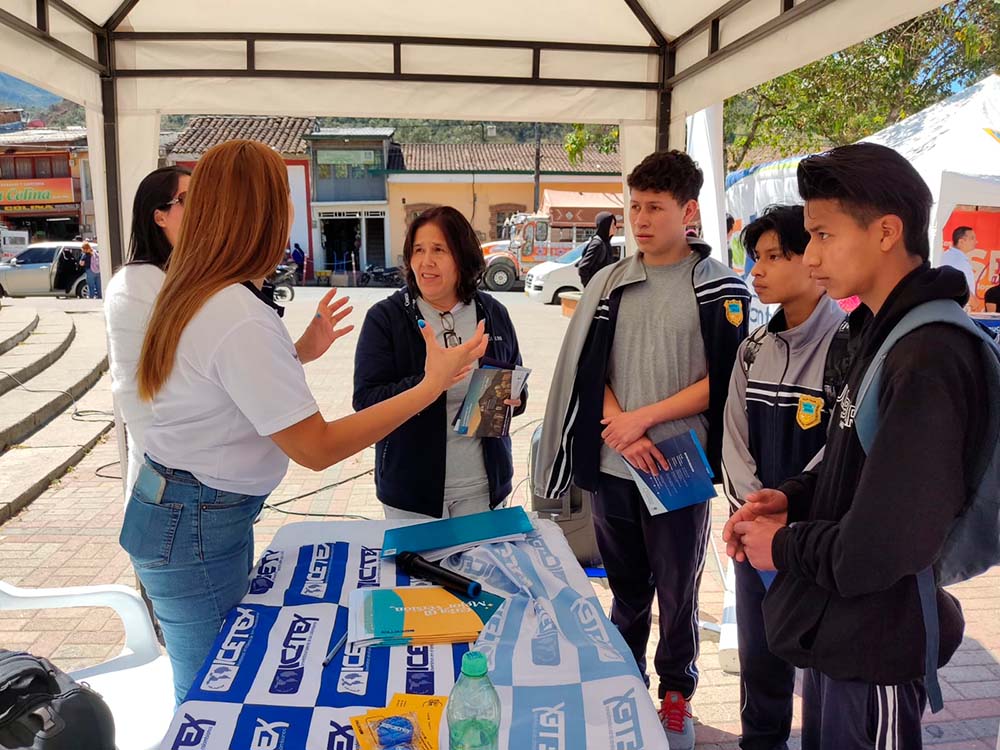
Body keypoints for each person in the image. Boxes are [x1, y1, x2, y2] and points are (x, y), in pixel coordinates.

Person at [120, 140, 486, 704]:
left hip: (186, 514)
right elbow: (315, 447)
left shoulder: (201, 293)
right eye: (282, 204)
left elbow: (226, 387)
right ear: (261, 215)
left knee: (210, 684)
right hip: (192, 525)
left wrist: (299, 352)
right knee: (210, 699)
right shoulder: (235, 311)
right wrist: (430, 386)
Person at [724, 143, 985, 750]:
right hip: (839, 627)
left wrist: (783, 543)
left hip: (879, 643)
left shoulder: (929, 355)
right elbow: (850, 464)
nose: (810, 255)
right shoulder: (875, 329)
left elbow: (885, 545)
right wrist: (788, 498)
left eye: (822, 234)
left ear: (887, 232)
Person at [534, 150, 750, 749]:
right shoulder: (609, 282)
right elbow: (586, 364)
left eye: (654, 207)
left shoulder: (721, 289)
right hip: (614, 463)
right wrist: (619, 427)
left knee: (678, 591)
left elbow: (728, 376)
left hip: (678, 469)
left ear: (689, 212)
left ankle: (675, 695)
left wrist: (643, 421)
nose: (640, 219)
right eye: (634, 206)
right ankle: (622, 687)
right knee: (626, 592)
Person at [721, 204, 847, 750]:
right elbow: (732, 438)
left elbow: (843, 450)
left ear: (812, 259)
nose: (759, 271)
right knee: (760, 652)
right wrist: (752, 513)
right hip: (753, 534)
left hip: (815, 539)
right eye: (755, 258)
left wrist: (789, 514)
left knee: (822, 657)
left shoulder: (848, 348)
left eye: (776, 256)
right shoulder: (752, 350)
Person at [354, 206, 526, 520]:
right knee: (418, 571)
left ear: (462, 256)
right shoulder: (386, 318)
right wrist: (430, 383)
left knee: (479, 570)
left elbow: (515, 384)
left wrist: (514, 399)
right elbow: (366, 402)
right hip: (411, 493)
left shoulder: (493, 314)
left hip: (483, 489)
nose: (426, 262)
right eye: (418, 250)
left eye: (438, 250)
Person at [105, 166, 190, 499]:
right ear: (160, 217)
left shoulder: (174, 278)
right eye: (188, 198)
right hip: (168, 481)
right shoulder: (138, 284)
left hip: (189, 475)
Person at [578, 211, 617, 287]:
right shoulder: (597, 244)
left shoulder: (606, 243)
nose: (615, 228)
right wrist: (589, 287)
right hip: (596, 290)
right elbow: (583, 267)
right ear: (605, 226)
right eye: (613, 225)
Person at [941, 225, 977, 296]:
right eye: (972, 238)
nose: (976, 241)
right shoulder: (956, 259)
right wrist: (973, 301)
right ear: (961, 241)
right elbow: (957, 284)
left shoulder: (950, 255)